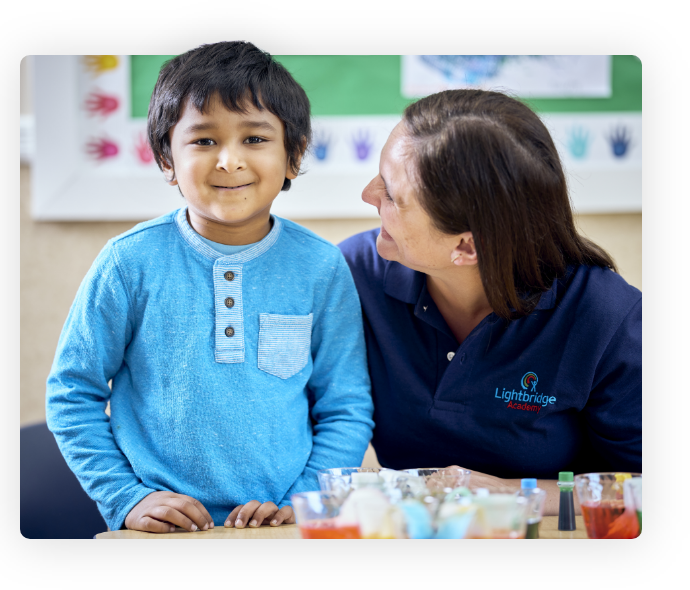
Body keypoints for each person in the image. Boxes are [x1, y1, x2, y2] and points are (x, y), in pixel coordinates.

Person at [46, 42, 374, 533]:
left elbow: (345, 406)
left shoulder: (321, 267)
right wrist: (125, 498)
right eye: (202, 141)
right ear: (165, 159)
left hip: (281, 523)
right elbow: (71, 392)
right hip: (157, 527)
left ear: (294, 154)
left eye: (255, 139)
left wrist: (306, 499)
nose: (228, 161)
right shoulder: (127, 262)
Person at [339, 90, 641, 514]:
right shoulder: (353, 275)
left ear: (466, 247)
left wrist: (514, 493)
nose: (368, 195)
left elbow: (637, 488)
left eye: (391, 194)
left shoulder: (607, 317)